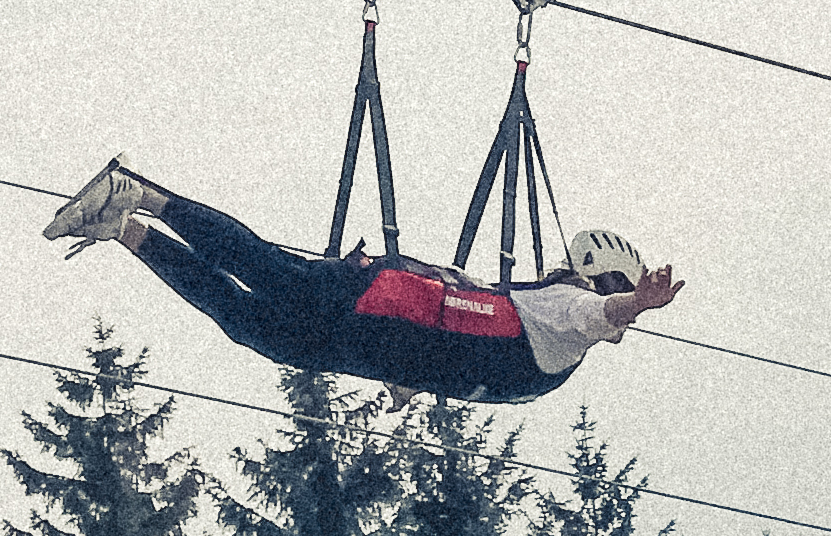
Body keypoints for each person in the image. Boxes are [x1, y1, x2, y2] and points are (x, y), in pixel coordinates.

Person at [41, 158, 681, 404]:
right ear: (602, 281)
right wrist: (638, 304)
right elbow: (601, 317)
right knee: (262, 270)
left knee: (242, 322)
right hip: (379, 301)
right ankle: (142, 194)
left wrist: (407, 378)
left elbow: (457, 353)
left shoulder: (547, 356)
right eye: (619, 292)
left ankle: (124, 230)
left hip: (364, 346)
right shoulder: (570, 314)